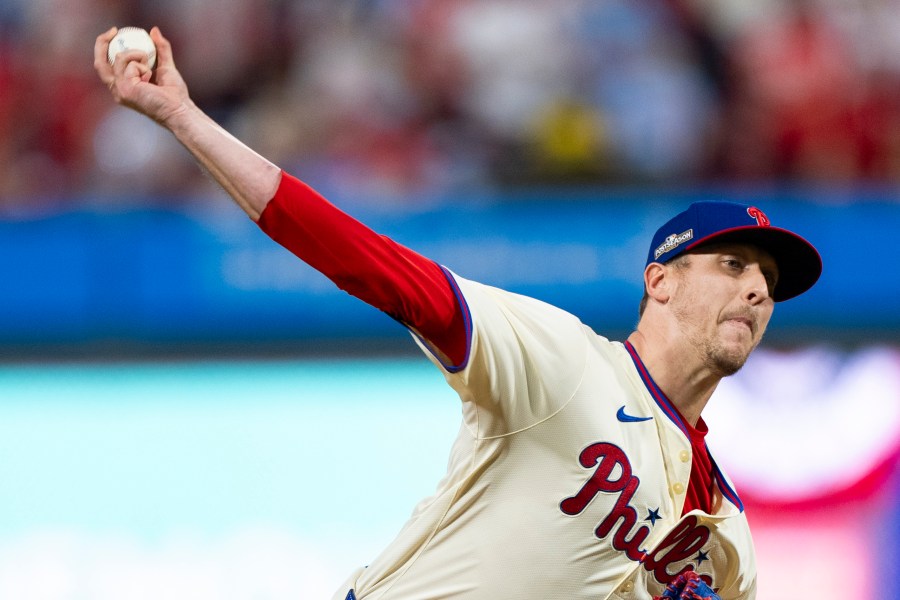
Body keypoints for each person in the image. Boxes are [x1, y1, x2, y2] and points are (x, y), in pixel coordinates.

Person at [94, 26, 822, 600]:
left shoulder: (724, 538)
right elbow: (371, 264)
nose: (757, 290)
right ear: (659, 282)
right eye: (733, 265)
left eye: (768, 280)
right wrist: (183, 117)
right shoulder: (565, 364)